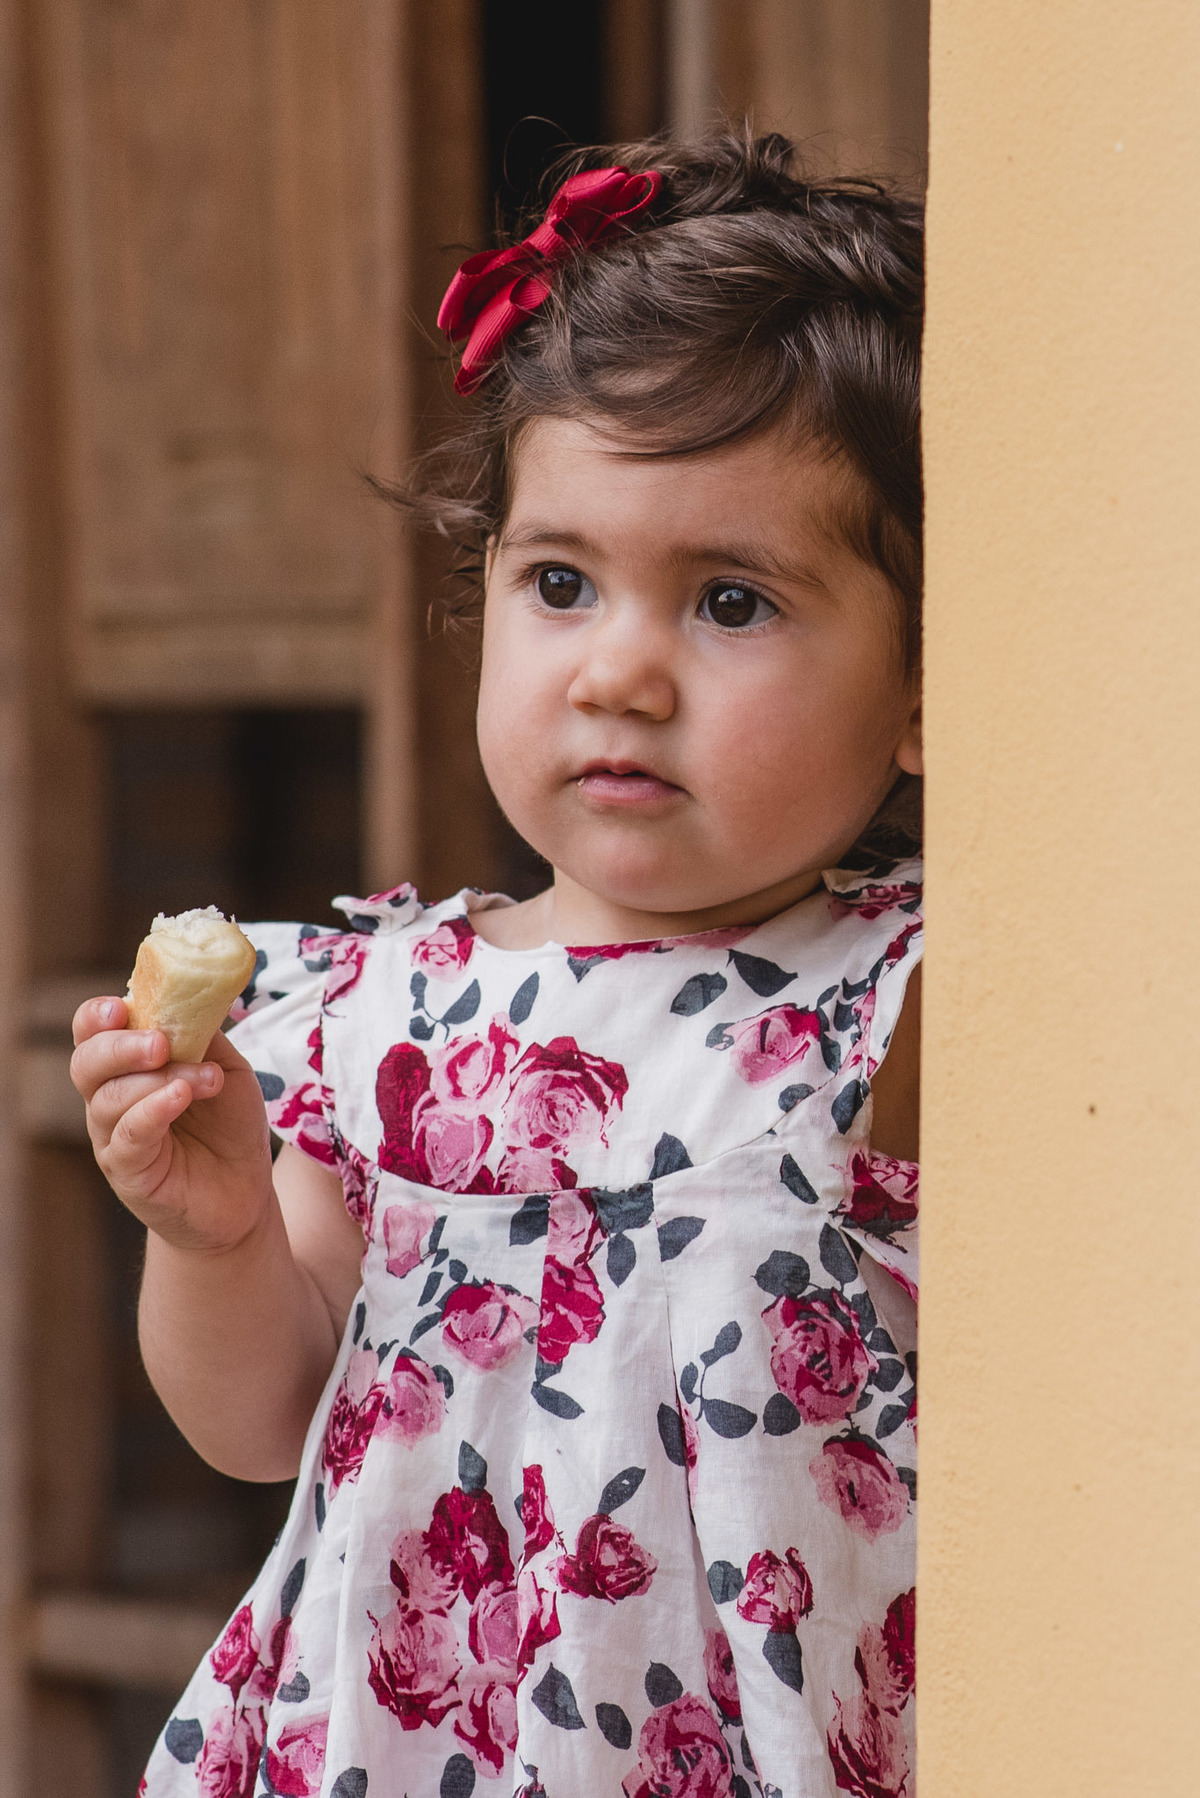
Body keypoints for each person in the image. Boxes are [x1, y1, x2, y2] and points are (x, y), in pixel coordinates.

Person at [72, 131, 923, 1798]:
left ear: (920, 688)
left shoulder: (902, 998)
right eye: (560, 582)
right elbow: (259, 1420)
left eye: (731, 602)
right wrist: (219, 1233)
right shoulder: (377, 1013)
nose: (619, 674)